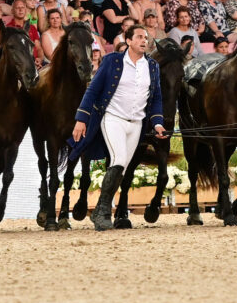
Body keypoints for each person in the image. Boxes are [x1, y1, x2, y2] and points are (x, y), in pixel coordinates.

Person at [71, 24, 166, 231]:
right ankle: (103, 211)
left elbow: (156, 97)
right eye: (140, 37)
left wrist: (157, 123)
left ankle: (101, 210)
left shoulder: (152, 66)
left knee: (121, 167)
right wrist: (81, 118)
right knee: (119, 160)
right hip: (113, 118)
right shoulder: (112, 61)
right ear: (129, 40)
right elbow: (93, 91)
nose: (144, 40)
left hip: (137, 123)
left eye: (146, 37)